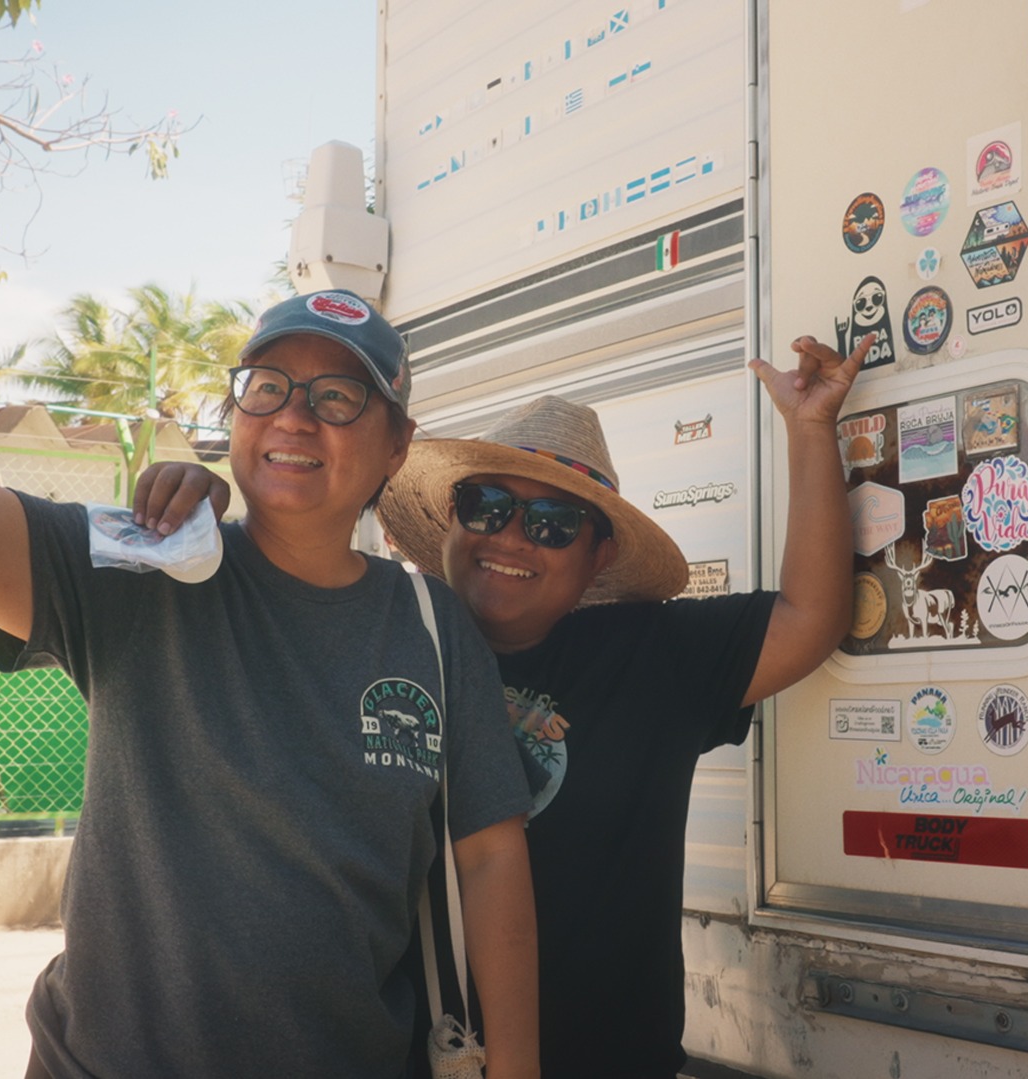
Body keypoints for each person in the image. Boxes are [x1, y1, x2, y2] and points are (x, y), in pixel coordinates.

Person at [0, 191, 540, 1079]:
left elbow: (490, 856)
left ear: (397, 444)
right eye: (268, 388)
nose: (294, 417)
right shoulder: (142, 566)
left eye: (339, 397)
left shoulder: (430, 625)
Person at [140, 334, 867, 1077]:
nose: (512, 537)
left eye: (553, 523)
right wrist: (201, 513)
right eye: (485, 506)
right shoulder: (375, 636)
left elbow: (809, 618)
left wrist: (810, 430)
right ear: (451, 521)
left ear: (599, 555)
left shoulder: (651, 654)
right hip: (406, 1057)